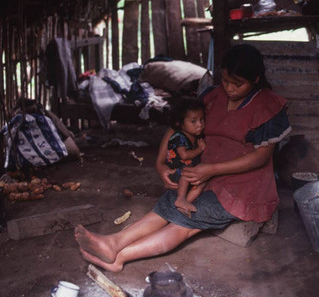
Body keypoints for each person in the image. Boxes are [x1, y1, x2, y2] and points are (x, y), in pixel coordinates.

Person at [74, 44, 291, 273]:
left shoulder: (268, 106)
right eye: (226, 80)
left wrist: (211, 170)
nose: (229, 88)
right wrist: (160, 163)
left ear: (256, 78)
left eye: (238, 84)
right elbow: (178, 128)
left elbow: (260, 158)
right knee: (169, 202)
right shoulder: (212, 96)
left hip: (245, 184)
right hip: (205, 173)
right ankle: (113, 243)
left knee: (186, 219)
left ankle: (121, 257)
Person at [165, 96, 206, 216]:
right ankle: (180, 199)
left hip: (187, 169)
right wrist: (200, 149)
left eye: (202, 119)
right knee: (186, 175)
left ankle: (186, 203)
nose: (199, 125)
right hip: (176, 171)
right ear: (180, 123)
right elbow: (184, 155)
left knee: (201, 182)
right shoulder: (179, 137)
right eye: (193, 121)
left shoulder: (195, 135)